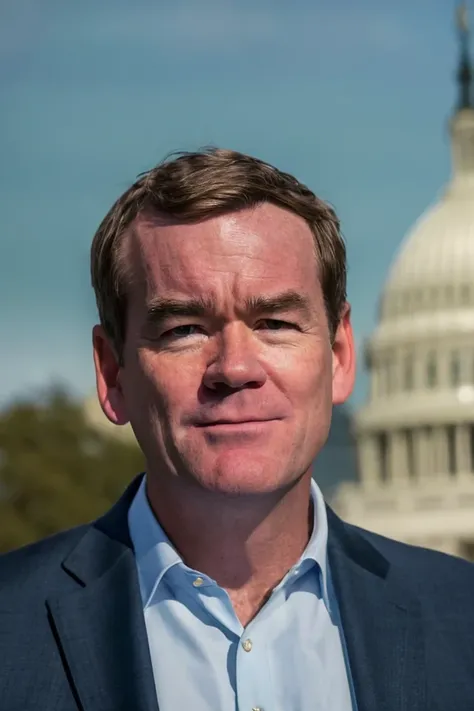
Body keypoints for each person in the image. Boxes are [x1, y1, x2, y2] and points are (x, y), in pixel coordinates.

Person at [1, 148, 474, 711]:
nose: (235, 368)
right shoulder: (14, 633)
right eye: (183, 328)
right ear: (112, 373)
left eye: (274, 323)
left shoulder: (461, 622)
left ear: (341, 355)